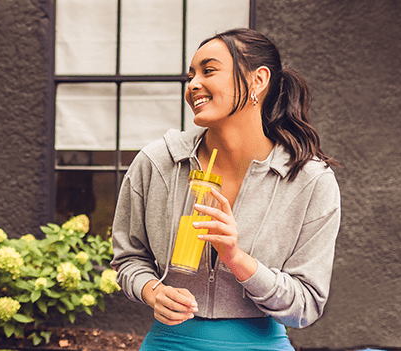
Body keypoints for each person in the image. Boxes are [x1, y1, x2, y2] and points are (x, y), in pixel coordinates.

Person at [111, 28, 341, 350]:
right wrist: (151, 290)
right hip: (168, 342)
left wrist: (236, 258)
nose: (192, 85)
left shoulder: (309, 180)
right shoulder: (157, 162)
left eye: (209, 70)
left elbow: (306, 305)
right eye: (191, 75)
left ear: (258, 80)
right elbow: (129, 258)